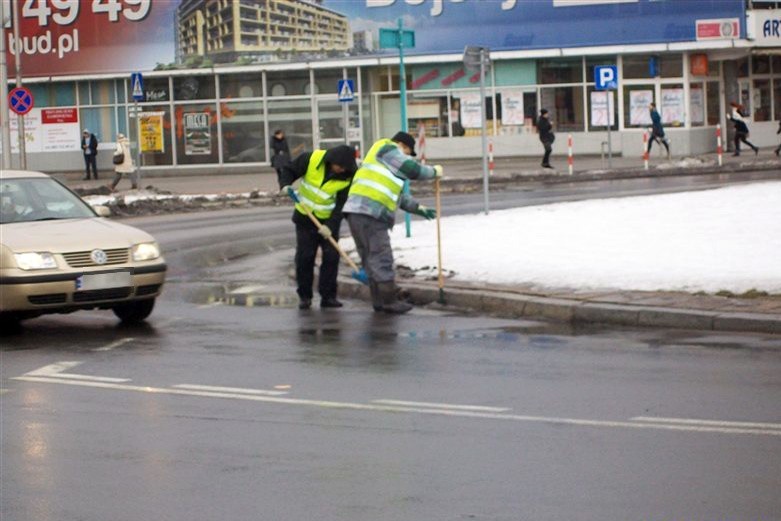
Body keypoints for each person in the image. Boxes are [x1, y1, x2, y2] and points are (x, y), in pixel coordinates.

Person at [343, 131, 442, 314]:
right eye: (406, 151)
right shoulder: (387, 148)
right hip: (371, 214)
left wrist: (417, 208)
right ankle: (389, 302)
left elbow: (397, 196)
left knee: (370, 260)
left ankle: (379, 302)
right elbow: (413, 169)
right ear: (401, 144)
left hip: (358, 213)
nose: (405, 155)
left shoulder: (384, 164)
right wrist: (434, 171)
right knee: (381, 258)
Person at [279, 144, 357, 310]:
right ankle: (305, 296)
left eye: (345, 168)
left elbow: (342, 204)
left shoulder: (348, 176)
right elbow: (288, 170)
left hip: (328, 221)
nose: (341, 170)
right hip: (305, 218)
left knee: (331, 258)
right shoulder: (311, 159)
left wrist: (331, 225)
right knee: (305, 257)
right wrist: (285, 184)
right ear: (332, 161)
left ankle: (328, 297)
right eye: (339, 166)